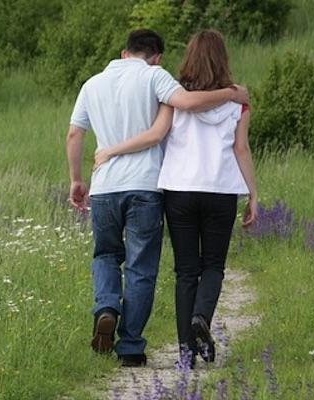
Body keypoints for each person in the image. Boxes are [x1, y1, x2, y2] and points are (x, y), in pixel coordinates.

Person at [66, 29, 249, 367]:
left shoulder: (91, 84)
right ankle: (131, 347)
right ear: (158, 56)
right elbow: (185, 110)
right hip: (147, 187)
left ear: (124, 53)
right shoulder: (155, 78)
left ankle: (106, 307)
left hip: (106, 186)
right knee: (141, 268)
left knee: (106, 254)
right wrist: (233, 93)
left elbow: (75, 132)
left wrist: (77, 179)